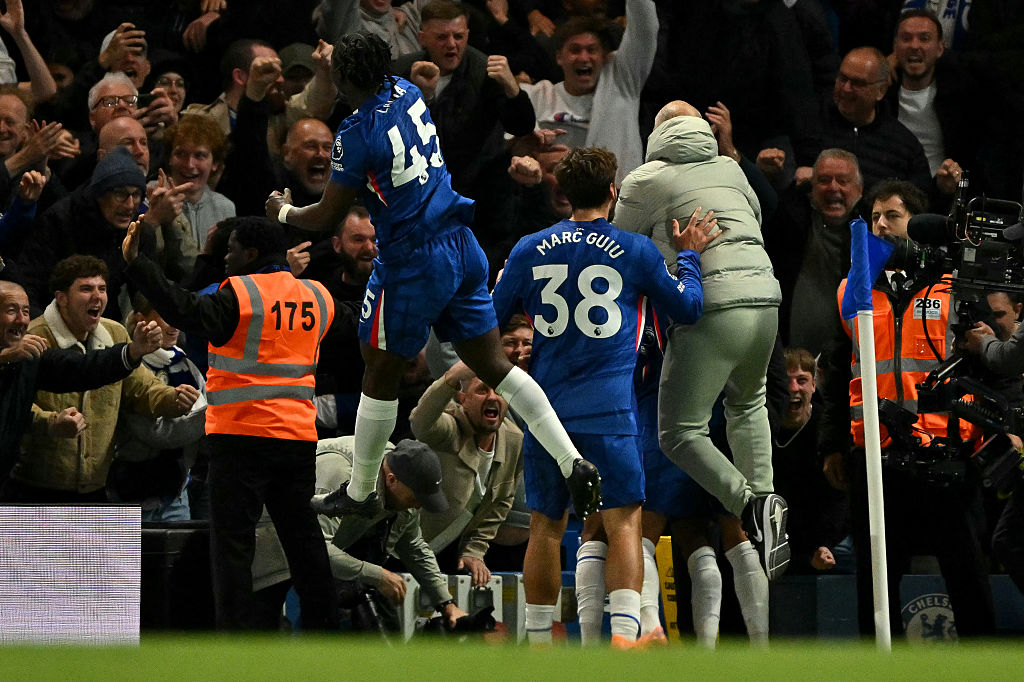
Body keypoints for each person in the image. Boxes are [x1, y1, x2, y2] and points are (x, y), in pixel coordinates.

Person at [265, 32, 600, 522]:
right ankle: (572, 459)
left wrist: (283, 212)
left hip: (412, 260)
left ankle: (360, 492)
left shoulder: (355, 135)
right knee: (493, 364)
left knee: (378, 368)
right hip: (461, 243)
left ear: (344, 77)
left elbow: (325, 215)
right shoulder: (404, 89)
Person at [491, 146, 716, 647]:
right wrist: (691, 258)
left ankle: (540, 641)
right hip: (612, 411)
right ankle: (624, 634)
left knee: (547, 525)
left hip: (546, 411)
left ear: (563, 193)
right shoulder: (635, 250)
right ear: (613, 192)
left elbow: (489, 317)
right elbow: (688, 309)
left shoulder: (529, 249)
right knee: (623, 523)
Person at [121, 215, 347, 630]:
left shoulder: (241, 294)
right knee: (305, 543)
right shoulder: (319, 296)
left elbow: (184, 308)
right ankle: (326, 633)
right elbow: (352, 332)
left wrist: (138, 263)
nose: (225, 258)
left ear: (252, 254)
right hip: (297, 438)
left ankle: (235, 642)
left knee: (232, 549)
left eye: (231, 250)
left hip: (240, 438)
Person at [614, 101, 789, 581]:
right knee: (748, 403)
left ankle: (748, 505)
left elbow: (616, 245)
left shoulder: (646, 180)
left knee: (678, 432)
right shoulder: (732, 170)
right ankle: (767, 499)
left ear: (657, 135)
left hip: (711, 308)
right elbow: (754, 217)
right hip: (767, 302)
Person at [820, 178, 996, 638]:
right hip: (875, 459)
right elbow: (840, 374)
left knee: (967, 575)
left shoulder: (955, 286)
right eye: (875, 216)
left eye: (892, 216)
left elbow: (987, 366)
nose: (880, 224)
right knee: (874, 581)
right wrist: (831, 444)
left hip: (945, 453)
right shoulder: (851, 289)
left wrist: (980, 438)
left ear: (917, 225)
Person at [2, 255, 195, 503]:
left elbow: (140, 386)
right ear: (61, 298)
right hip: (34, 486)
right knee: (40, 544)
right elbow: (15, 402)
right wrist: (50, 423)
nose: (97, 296)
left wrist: (172, 398)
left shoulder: (115, 332)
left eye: (102, 289)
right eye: (86, 289)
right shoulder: (32, 338)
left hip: (98, 486)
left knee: (104, 544)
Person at [0, 279, 164, 481]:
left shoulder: (27, 357)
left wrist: (132, 351)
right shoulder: (15, 354)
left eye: (26, 311)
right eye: (11, 310)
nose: (21, 320)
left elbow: (80, 367)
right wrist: (3, 357)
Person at [313, 436, 469, 630]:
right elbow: (315, 548)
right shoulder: (341, 473)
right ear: (391, 479)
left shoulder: (403, 480)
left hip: (325, 549)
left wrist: (447, 603)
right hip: (275, 545)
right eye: (416, 497)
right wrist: (376, 575)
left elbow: (413, 546)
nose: (419, 505)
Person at [410, 360, 523, 586]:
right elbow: (420, 422)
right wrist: (450, 379)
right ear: (463, 400)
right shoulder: (448, 429)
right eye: (482, 390)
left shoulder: (514, 440)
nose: (492, 397)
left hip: (450, 549)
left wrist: (475, 550)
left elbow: (501, 502)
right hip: (403, 546)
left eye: (498, 391)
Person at [520, 3, 657, 183]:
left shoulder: (621, 81)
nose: (584, 58)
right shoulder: (539, 96)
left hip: (619, 201)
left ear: (605, 56)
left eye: (591, 50)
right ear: (559, 57)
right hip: (557, 202)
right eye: (575, 50)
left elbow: (645, 27)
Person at [764, 149, 865, 355]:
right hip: (788, 361)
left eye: (843, 181)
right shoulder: (790, 223)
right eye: (824, 180)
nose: (833, 187)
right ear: (811, 188)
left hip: (847, 364)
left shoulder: (871, 234)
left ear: (860, 190)